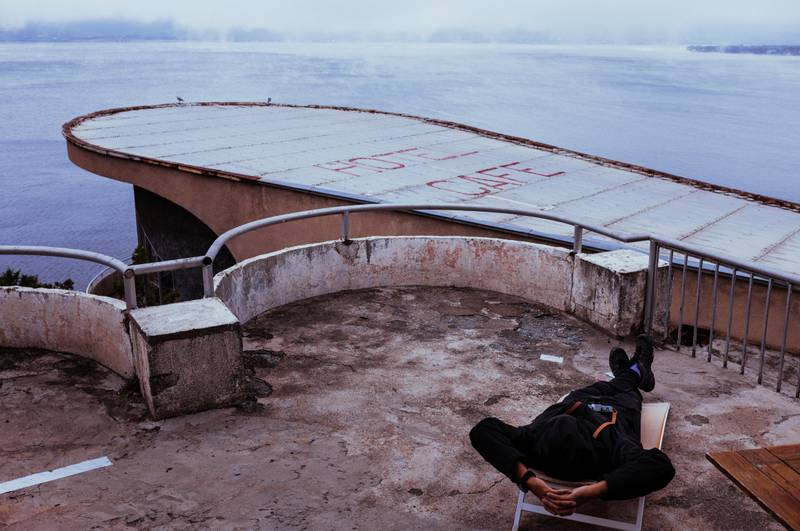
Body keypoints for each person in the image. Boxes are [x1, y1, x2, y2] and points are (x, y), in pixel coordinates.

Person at [469, 334, 675, 516]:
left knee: (602, 385)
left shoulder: (533, 441)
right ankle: (635, 372)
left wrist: (530, 481)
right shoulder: (614, 449)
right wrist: (592, 492)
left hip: (579, 399)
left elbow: (483, 430)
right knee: (624, 388)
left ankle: (628, 372)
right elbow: (661, 466)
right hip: (620, 408)